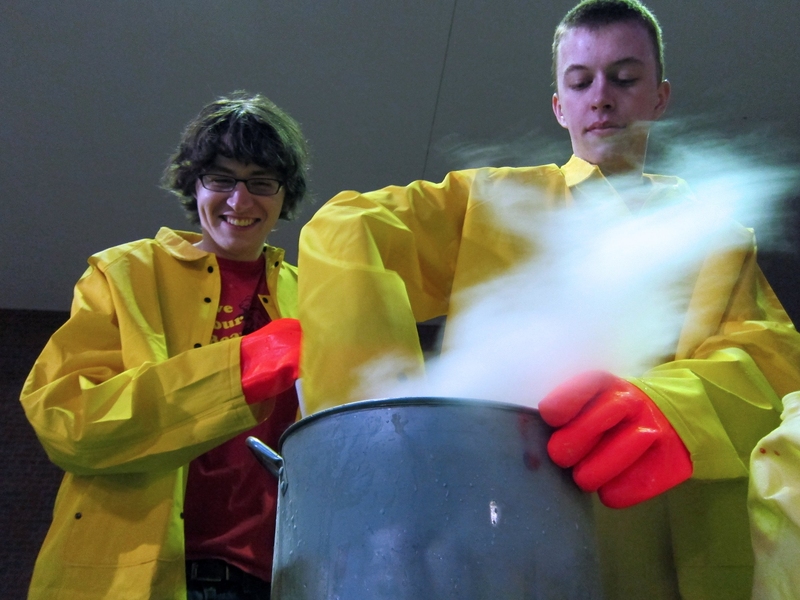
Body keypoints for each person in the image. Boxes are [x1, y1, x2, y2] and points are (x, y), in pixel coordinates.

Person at [297, 1, 800, 598]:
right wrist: (375, 441)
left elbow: (770, 360)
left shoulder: (714, 235)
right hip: (508, 529)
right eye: (580, 81)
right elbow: (344, 229)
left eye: (625, 77)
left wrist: (675, 406)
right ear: (560, 105)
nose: (602, 98)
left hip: (673, 544)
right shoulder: (495, 201)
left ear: (659, 97)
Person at [20, 92, 309, 599]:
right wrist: (242, 370)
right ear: (193, 184)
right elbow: (66, 422)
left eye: (262, 183)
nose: (240, 202)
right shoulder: (125, 274)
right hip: (133, 577)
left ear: (286, 195)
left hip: (281, 581)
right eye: (221, 179)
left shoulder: (314, 297)